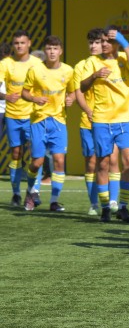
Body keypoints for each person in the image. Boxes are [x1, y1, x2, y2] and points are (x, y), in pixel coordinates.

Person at [77, 26, 129, 223]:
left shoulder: (124, 58)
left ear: (116, 43)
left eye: (109, 41)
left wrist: (123, 41)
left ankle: (123, 207)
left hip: (125, 119)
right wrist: (94, 76)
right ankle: (105, 207)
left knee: (128, 163)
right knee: (103, 163)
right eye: (102, 41)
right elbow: (82, 87)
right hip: (102, 121)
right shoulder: (92, 62)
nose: (104, 44)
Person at [20, 36, 74, 212]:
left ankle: (54, 201)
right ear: (45, 50)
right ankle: (30, 191)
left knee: (59, 160)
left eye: (55, 48)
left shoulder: (68, 70)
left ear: (61, 51)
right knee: (37, 162)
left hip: (58, 122)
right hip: (39, 121)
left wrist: (71, 99)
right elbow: (24, 92)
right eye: (49, 48)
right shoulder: (35, 70)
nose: (52, 52)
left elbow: (73, 92)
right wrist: (34, 98)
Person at [0, 31, 42, 208]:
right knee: (16, 154)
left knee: (36, 154)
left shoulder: (37, 63)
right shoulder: (5, 64)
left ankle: (34, 191)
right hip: (13, 116)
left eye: (22, 43)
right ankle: (16, 193)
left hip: (33, 116)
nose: (19, 46)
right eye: (16, 43)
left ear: (29, 43)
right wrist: (5, 96)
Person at [73, 29, 105, 216]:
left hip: (108, 121)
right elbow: (79, 93)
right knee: (91, 162)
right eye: (91, 42)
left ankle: (110, 201)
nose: (93, 46)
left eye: (97, 42)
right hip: (88, 122)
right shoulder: (80, 66)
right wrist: (88, 111)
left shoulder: (110, 64)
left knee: (108, 162)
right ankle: (94, 203)